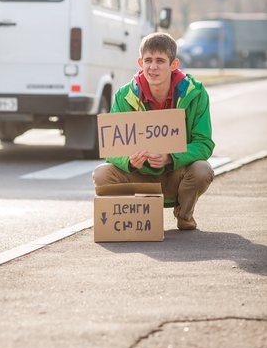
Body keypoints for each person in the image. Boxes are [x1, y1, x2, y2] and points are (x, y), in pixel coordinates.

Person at [92, 32, 215, 230]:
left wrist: (170, 157)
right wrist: (129, 161)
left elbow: (204, 143)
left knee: (203, 169)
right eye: (148, 60)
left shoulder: (196, 93)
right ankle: (135, 219)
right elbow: (111, 148)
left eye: (160, 61)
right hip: (139, 173)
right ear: (140, 62)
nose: (153, 67)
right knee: (102, 174)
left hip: (176, 173)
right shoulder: (124, 96)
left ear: (174, 64)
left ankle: (184, 215)